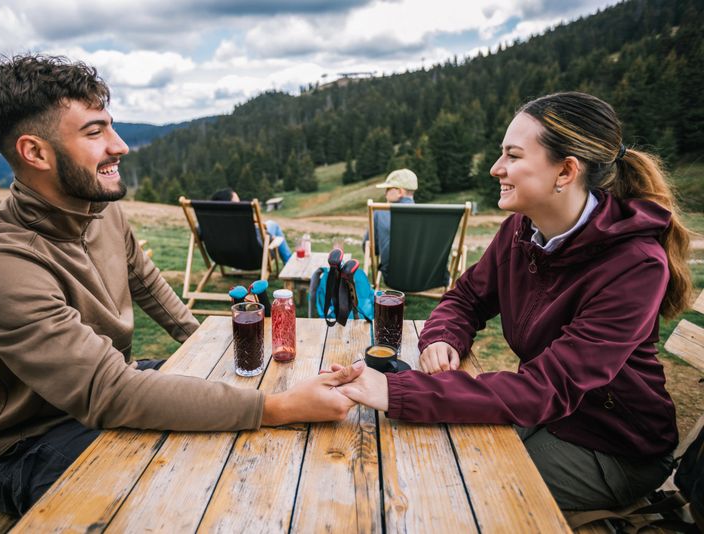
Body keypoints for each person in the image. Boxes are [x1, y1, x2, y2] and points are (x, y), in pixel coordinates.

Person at [0, 54, 362, 517]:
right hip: (30, 442)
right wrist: (278, 408)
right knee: (182, 498)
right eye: (94, 132)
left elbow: (146, 283)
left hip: (116, 385)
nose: (119, 145)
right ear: (35, 152)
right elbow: (108, 391)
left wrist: (206, 342)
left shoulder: (100, 211)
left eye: (111, 126)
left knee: (246, 407)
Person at [337, 91, 692, 511]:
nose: (496, 168)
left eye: (513, 156)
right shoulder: (522, 229)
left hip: (614, 442)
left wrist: (397, 391)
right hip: (545, 413)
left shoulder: (634, 265)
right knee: (427, 453)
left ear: (565, 171)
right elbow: (467, 296)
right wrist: (443, 337)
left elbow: (547, 387)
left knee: (461, 491)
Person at [365, 169, 448, 285]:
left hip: (393, 278)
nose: (385, 193)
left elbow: (370, 247)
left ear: (399, 192)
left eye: (388, 189)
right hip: (430, 278)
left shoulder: (380, 213)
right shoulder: (431, 216)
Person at [210, 187, 292, 263]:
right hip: (254, 257)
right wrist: (271, 237)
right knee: (273, 224)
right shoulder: (240, 220)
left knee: (269, 225)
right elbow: (260, 236)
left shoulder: (209, 224)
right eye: (237, 202)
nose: (240, 204)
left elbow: (199, 233)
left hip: (226, 258)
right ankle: (289, 262)